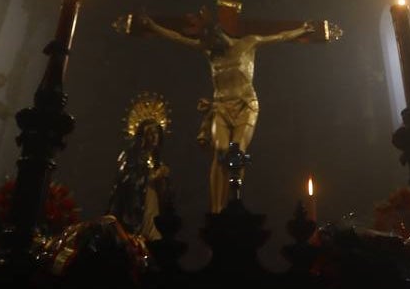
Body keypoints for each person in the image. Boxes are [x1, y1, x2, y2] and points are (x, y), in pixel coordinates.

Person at [139, 12, 315, 213]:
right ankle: (216, 208)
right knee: (220, 151)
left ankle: (235, 200)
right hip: (221, 107)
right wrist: (153, 27)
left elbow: (280, 36)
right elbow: (178, 38)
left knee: (236, 151)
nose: (209, 45)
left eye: (212, 39)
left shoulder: (248, 43)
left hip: (245, 105)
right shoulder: (209, 51)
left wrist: (302, 29)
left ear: (219, 34)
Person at [107, 96, 172, 240]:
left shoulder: (158, 163)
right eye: (150, 133)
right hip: (135, 207)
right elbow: (124, 182)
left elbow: (166, 198)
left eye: (156, 133)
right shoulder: (130, 157)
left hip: (152, 205)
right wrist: (149, 178)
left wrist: (162, 182)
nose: (153, 137)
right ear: (142, 136)